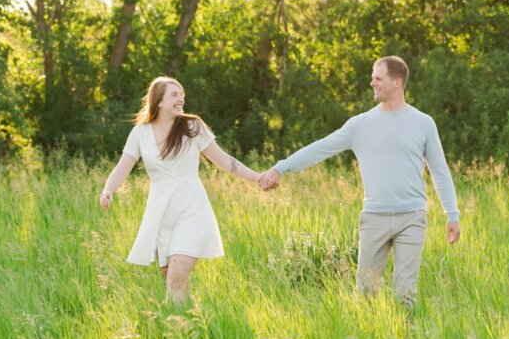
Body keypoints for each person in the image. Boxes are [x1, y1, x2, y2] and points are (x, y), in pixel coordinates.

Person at [257, 55, 460, 306]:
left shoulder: (423, 123)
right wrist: (279, 169)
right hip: (374, 218)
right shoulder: (360, 125)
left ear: (397, 82)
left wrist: (452, 213)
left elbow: (440, 170)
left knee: (405, 293)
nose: (372, 83)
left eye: (378, 78)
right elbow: (319, 149)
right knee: (365, 293)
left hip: (412, 217)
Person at [99, 75, 261, 305]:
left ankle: (178, 322)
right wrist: (108, 189)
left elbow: (224, 161)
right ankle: (185, 324)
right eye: (174, 95)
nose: (180, 99)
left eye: (182, 95)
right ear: (159, 100)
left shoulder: (192, 126)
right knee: (172, 279)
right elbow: (123, 166)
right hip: (161, 211)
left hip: (192, 207)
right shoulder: (140, 133)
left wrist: (257, 178)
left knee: (177, 274)